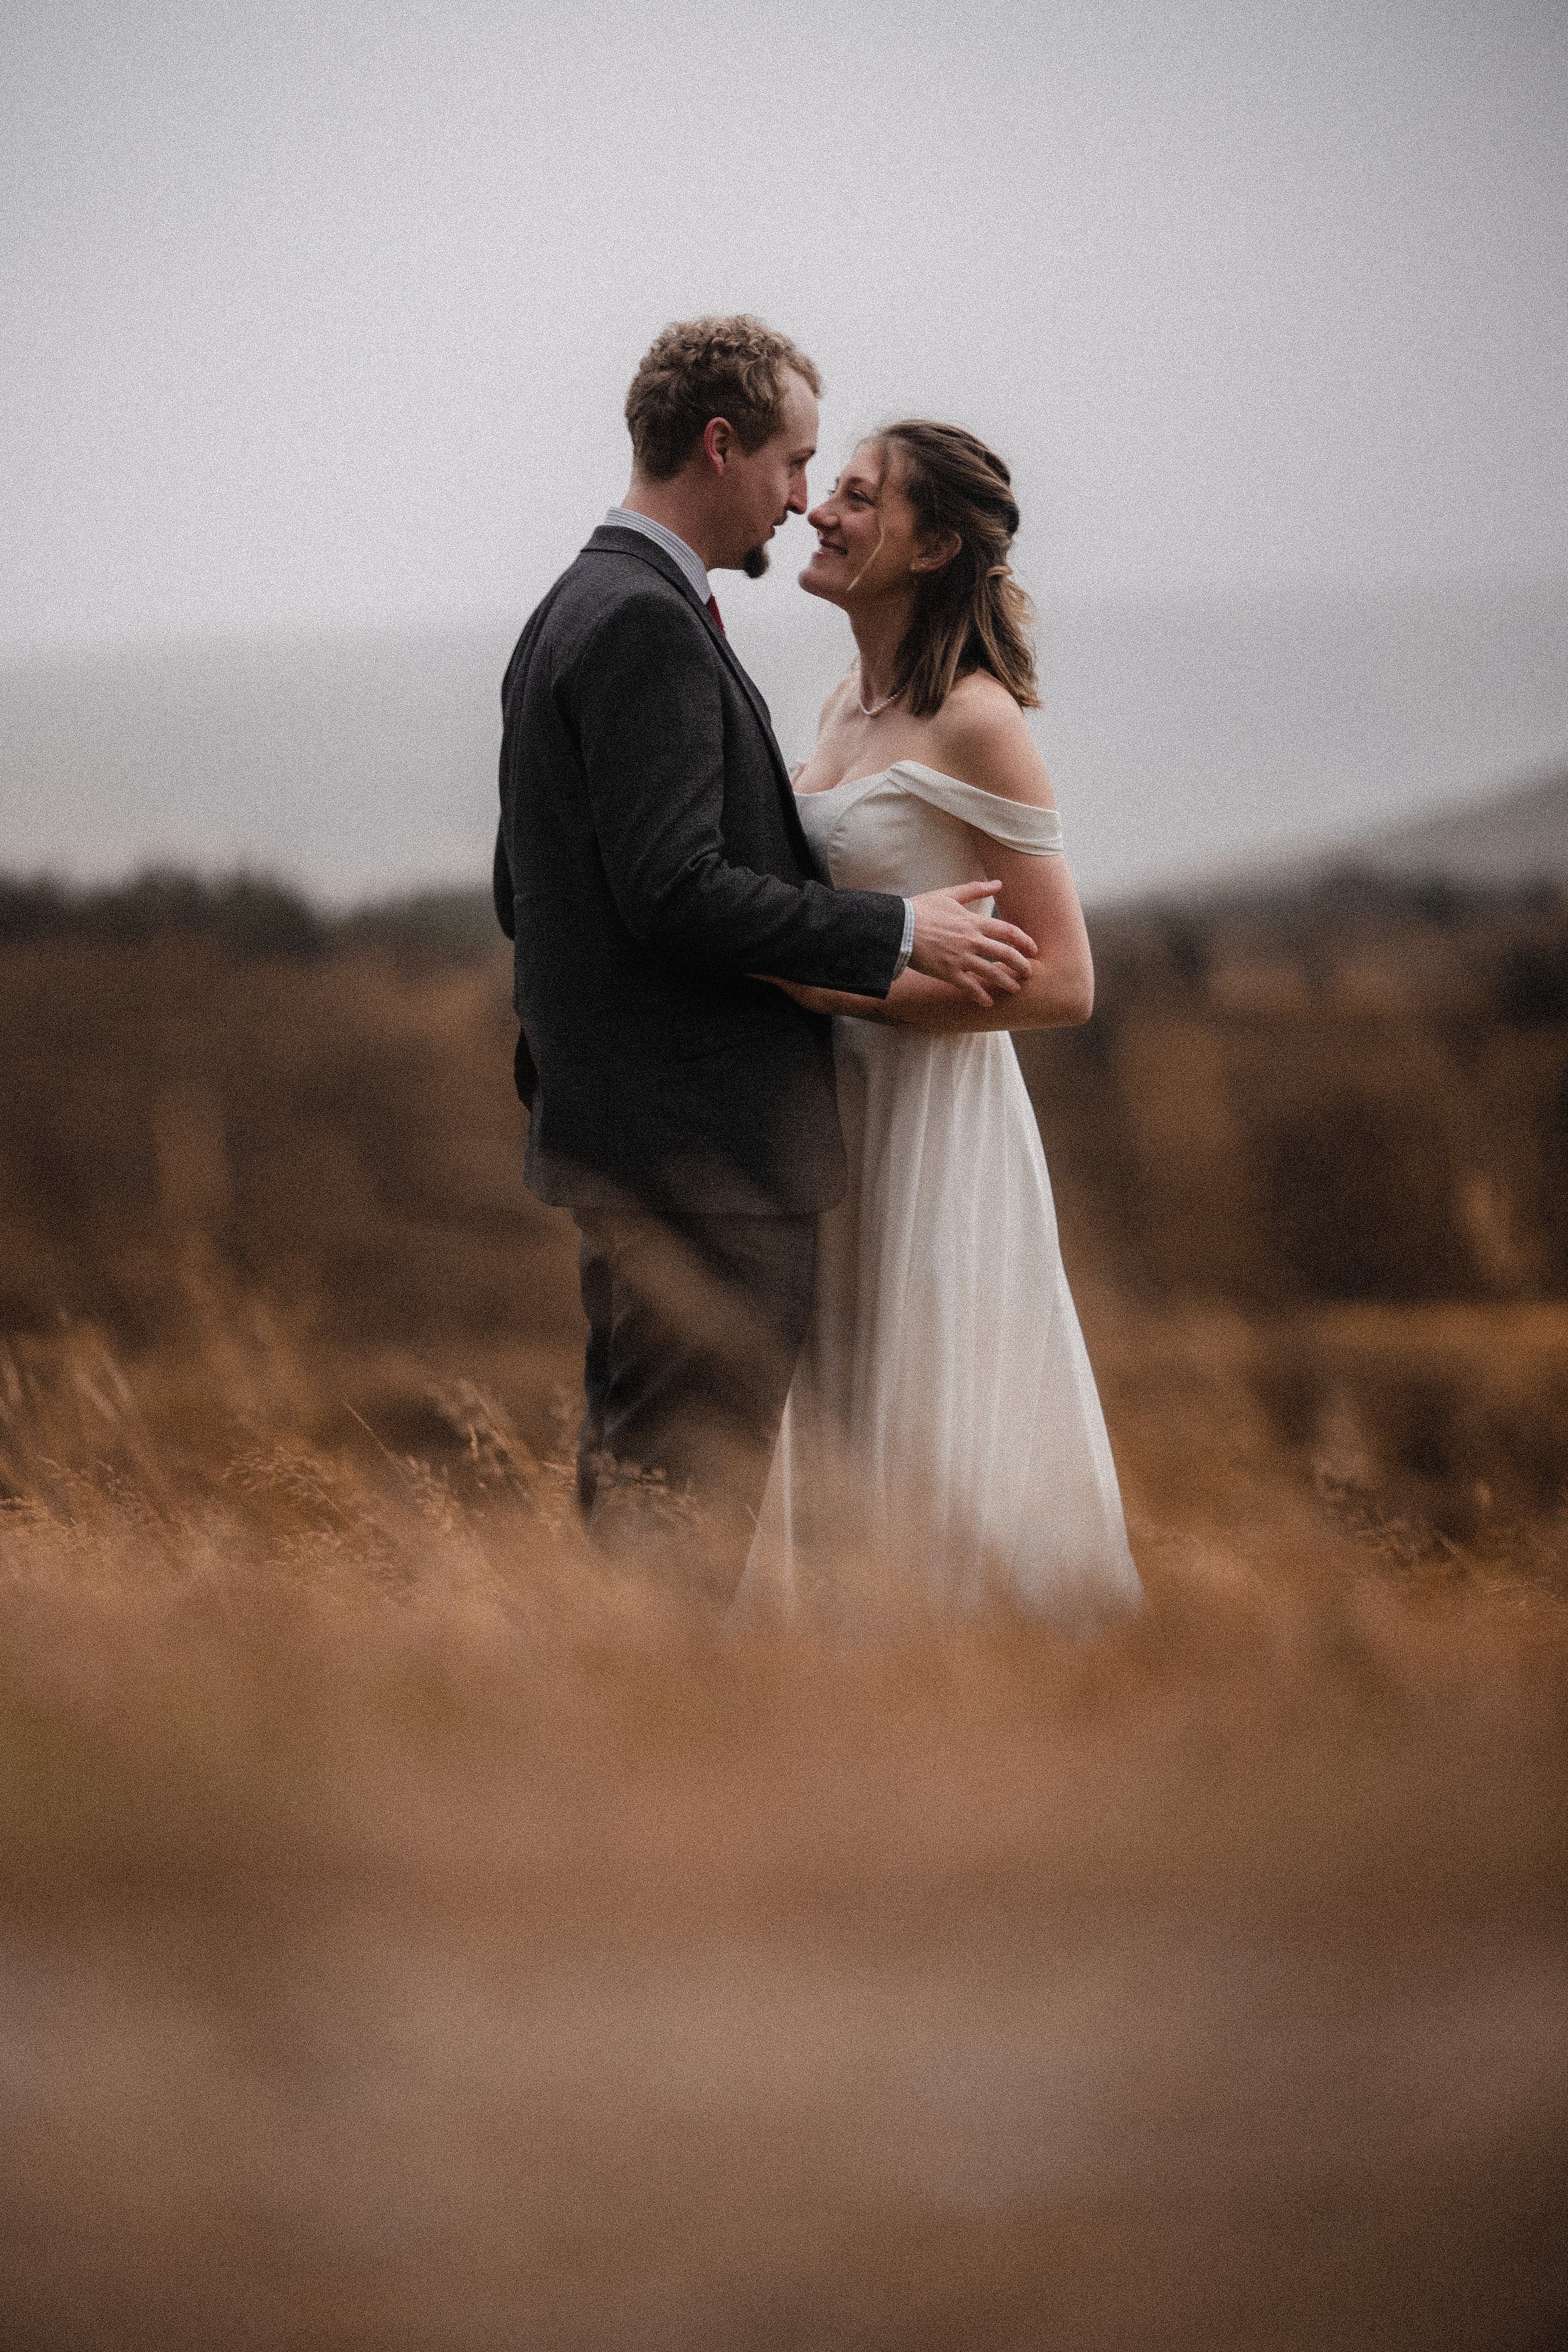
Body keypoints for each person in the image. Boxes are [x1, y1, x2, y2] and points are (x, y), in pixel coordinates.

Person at [493, 322, 1038, 1595]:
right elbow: (674, 887)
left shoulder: (575, 605)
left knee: (640, 1496)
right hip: (706, 1155)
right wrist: (897, 929)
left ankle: (603, 1746)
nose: (802, 499)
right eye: (795, 462)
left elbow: (527, 890)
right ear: (721, 444)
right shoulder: (642, 623)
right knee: (678, 1527)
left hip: (635, 1137)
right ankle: (630, 1763)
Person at [735, 420, 1142, 1624]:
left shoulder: (978, 722)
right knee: (843, 1427)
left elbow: (1065, 979)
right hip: (829, 1122)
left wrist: (836, 987)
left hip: (933, 1123)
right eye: (829, 491)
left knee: (934, 1443)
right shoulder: (836, 706)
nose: (819, 510)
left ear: (935, 545)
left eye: (857, 497)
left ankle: (987, 1704)